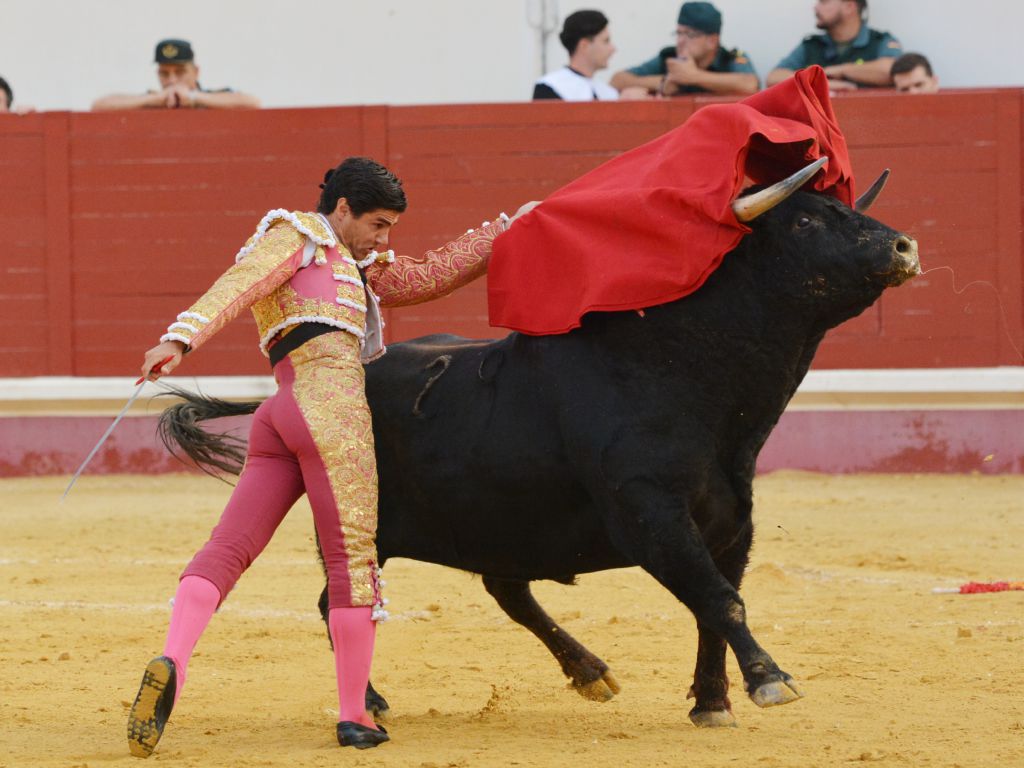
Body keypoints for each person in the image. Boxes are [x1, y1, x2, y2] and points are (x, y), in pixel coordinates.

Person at [127, 157, 529, 756]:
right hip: (331, 411)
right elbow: (239, 283)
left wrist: (504, 232)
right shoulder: (297, 234)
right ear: (341, 208)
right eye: (378, 223)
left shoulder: (352, 261)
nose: (384, 238)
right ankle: (353, 717)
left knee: (228, 548)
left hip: (280, 414)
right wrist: (179, 337)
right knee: (352, 561)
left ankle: (173, 662)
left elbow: (426, 276)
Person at [609, 2, 758, 98]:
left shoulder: (730, 58)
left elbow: (751, 84)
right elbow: (617, 80)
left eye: (690, 35)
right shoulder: (670, 56)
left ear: (712, 41)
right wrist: (662, 83)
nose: (680, 41)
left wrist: (694, 76)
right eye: (679, 33)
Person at [767, 0, 902, 90]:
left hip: (871, 123)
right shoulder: (811, 45)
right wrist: (822, 83)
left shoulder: (880, 41)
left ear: (849, 6)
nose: (816, 7)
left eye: (824, 1)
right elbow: (774, 78)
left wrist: (841, 70)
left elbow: (892, 71)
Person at [92, 39, 259, 111]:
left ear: (196, 72)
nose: (171, 80)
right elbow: (99, 105)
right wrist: (153, 100)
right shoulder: (152, 101)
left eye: (180, 72)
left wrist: (194, 98)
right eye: (164, 73)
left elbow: (251, 103)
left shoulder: (211, 99)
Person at [532, 10, 644, 101]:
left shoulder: (607, 92)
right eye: (606, 41)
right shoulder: (549, 87)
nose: (613, 49)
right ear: (584, 45)